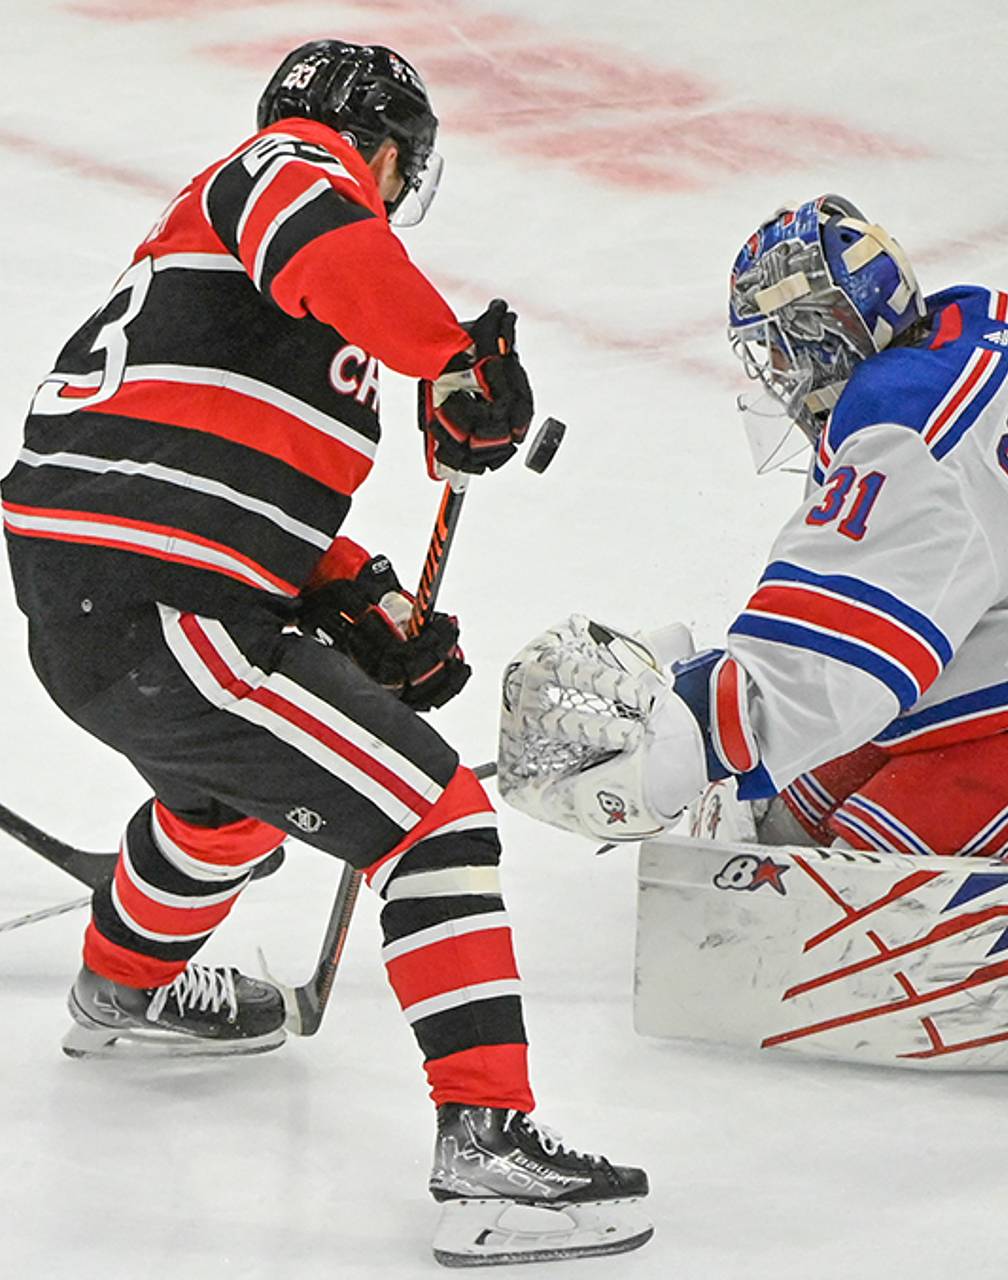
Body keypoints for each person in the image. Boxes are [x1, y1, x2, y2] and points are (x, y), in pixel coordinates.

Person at [0, 40, 649, 1265]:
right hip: (157, 600)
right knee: (435, 815)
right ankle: (487, 1149)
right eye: (398, 167)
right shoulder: (292, 168)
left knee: (225, 805)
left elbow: (215, 470)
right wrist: (454, 357)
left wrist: (360, 599)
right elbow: (340, 253)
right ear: (386, 147)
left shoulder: (250, 289)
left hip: (118, 595)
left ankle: (123, 988)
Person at [495, 193, 1008, 1088]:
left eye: (779, 347)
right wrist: (715, 692)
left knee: (852, 908)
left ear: (827, 334)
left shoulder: (911, 433)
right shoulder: (957, 333)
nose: (774, 373)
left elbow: (842, 661)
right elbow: (874, 579)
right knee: (786, 822)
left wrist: (698, 730)